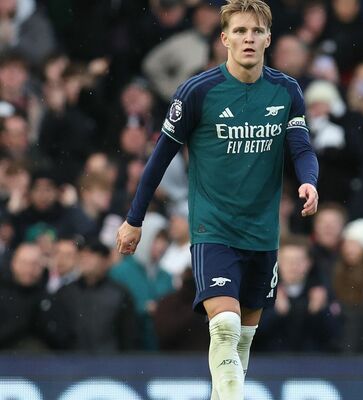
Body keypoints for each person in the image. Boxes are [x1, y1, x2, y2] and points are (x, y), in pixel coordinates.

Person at [115, 1, 319, 399]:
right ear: (224, 38)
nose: (248, 38)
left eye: (256, 31)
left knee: (240, 344)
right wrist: (134, 219)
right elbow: (158, 161)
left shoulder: (286, 90)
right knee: (224, 326)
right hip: (214, 230)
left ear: (268, 38)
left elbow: (302, 147)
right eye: (240, 31)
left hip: (262, 233)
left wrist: (309, 181)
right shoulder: (197, 91)